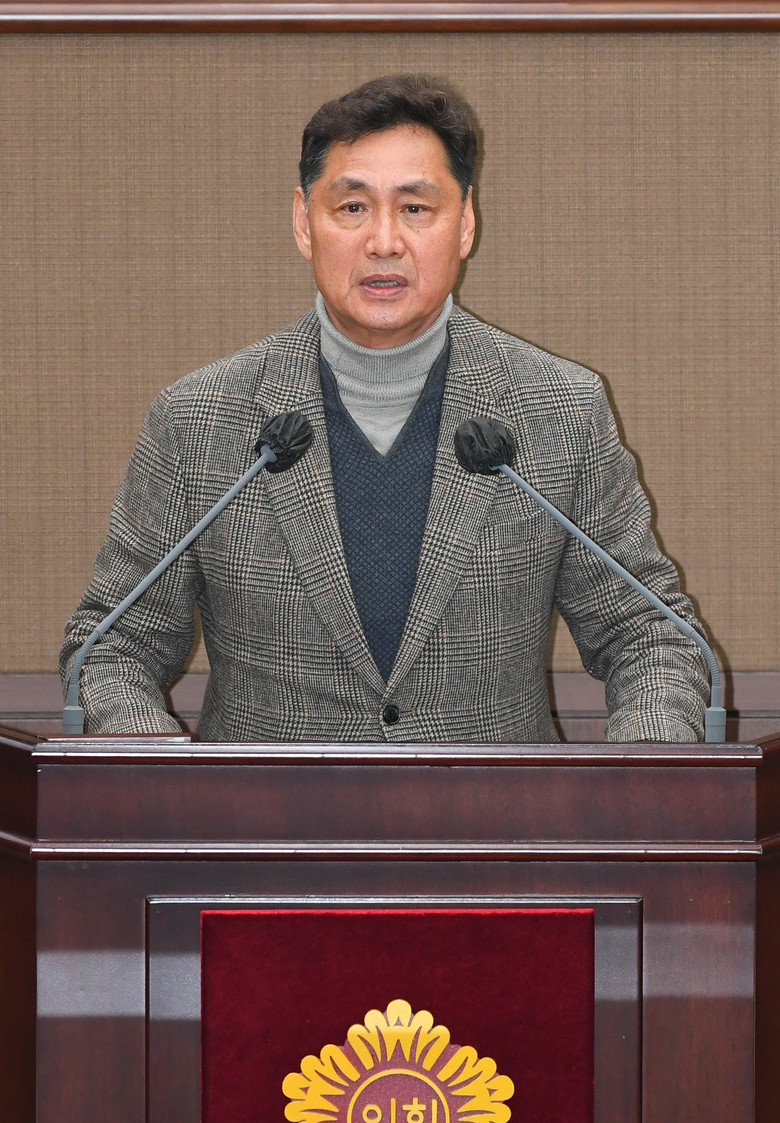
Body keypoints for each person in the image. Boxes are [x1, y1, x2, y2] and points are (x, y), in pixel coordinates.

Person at [61, 73, 710, 743]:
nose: (384, 241)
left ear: (465, 223)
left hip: (493, 809)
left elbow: (650, 634)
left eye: (415, 208)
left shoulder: (560, 410)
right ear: (303, 222)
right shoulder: (199, 420)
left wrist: (645, 766)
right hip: (262, 812)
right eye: (352, 208)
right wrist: (157, 771)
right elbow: (113, 646)